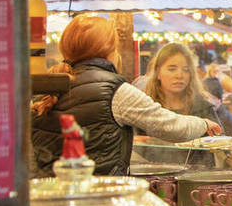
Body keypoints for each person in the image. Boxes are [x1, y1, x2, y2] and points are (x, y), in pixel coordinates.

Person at [31, 16, 221, 177]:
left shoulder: (48, 86)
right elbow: (171, 127)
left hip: (56, 194)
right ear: (110, 51)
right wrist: (203, 124)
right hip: (100, 195)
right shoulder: (114, 91)